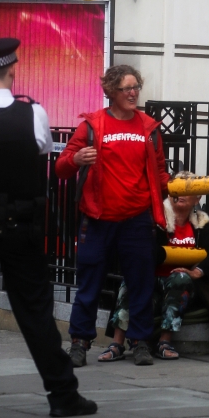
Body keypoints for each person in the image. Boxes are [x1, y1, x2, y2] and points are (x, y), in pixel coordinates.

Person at [0, 37, 96, 418]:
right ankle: (62, 394)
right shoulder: (34, 115)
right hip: (23, 226)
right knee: (35, 312)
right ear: (12, 71)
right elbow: (41, 150)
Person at [55, 64, 169, 368]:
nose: (133, 94)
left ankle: (140, 343)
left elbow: (160, 173)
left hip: (137, 220)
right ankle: (79, 343)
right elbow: (62, 166)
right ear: (111, 92)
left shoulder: (149, 127)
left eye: (136, 88)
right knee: (89, 283)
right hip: (98, 218)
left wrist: (167, 193)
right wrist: (77, 158)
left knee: (141, 283)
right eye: (126, 89)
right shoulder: (92, 125)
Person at [103, 182, 209, 360]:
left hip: (180, 284)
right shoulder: (157, 220)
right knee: (131, 280)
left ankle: (165, 342)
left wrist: (198, 271)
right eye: (176, 189)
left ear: (197, 198)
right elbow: (144, 250)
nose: (179, 193)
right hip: (152, 278)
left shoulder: (201, 222)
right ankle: (117, 344)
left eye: (186, 190)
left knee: (180, 278)